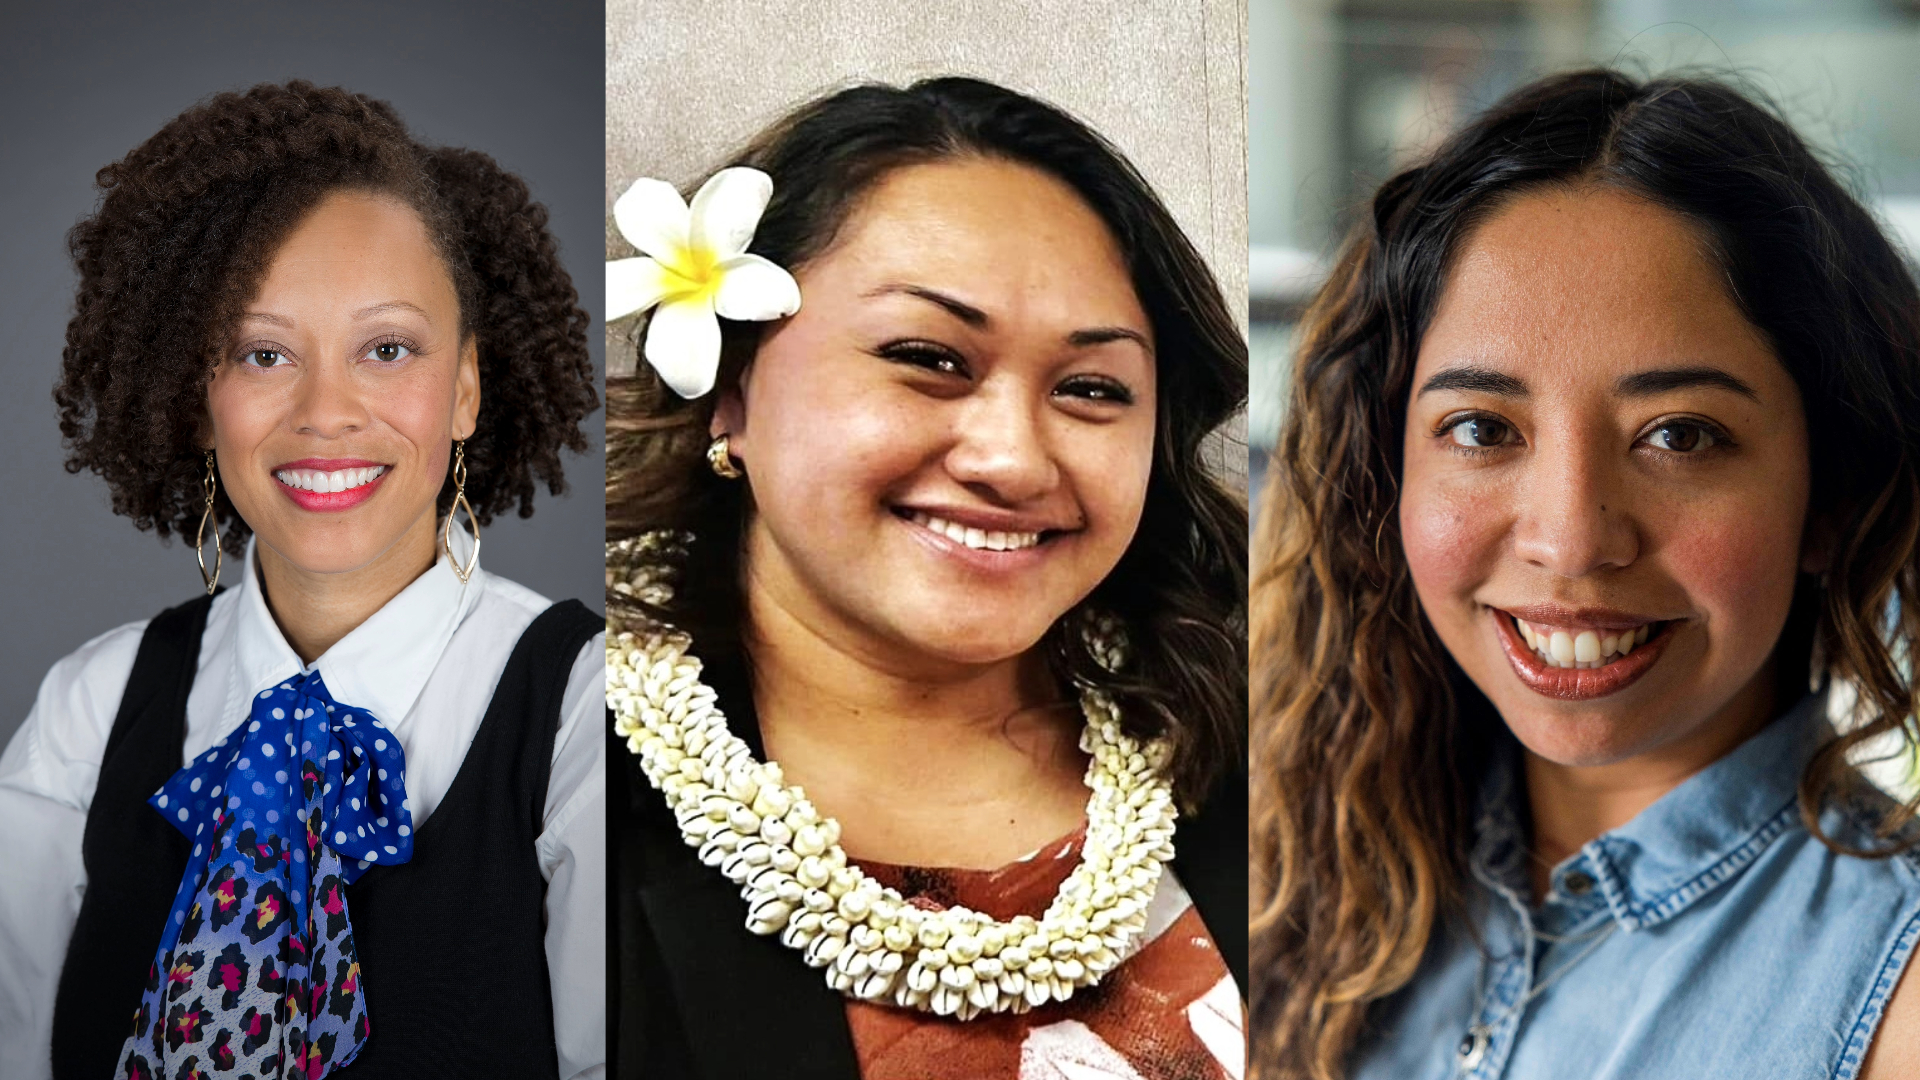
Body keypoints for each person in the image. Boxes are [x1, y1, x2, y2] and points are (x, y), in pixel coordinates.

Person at [1250, 69, 1920, 1080]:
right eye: (1481, 430)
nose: (1569, 540)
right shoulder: (1281, 891)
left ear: (1829, 496)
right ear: (1387, 477)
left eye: (1680, 435)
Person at [603, 77, 1248, 1078]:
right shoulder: (545, 785)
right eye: (929, 358)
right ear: (730, 389)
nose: (1014, 459)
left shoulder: (1252, 737)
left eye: (1090, 388)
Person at [0, 82, 604, 1078]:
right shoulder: (90, 711)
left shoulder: (587, 714)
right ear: (199, 400)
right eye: (263, 352)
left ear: (465, 388)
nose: (327, 411)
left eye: (387, 349)